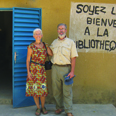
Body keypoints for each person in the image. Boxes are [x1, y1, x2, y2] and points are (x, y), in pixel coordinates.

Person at [50, 23, 78, 116]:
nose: (61, 30)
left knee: (67, 91)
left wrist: (72, 71)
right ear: (57, 30)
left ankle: (68, 110)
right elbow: (49, 52)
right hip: (55, 68)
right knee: (56, 91)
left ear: (66, 30)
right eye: (59, 29)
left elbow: (73, 57)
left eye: (63, 29)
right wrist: (44, 45)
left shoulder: (70, 42)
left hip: (66, 69)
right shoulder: (54, 42)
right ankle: (59, 108)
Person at [26, 28, 53, 116]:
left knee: (42, 90)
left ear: (41, 35)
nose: (38, 35)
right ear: (34, 36)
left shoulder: (45, 45)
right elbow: (28, 60)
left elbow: (51, 54)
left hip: (42, 70)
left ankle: (43, 107)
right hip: (33, 69)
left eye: (39, 34)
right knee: (35, 90)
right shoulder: (31, 46)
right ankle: (38, 107)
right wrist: (28, 72)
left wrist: (47, 47)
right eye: (36, 34)